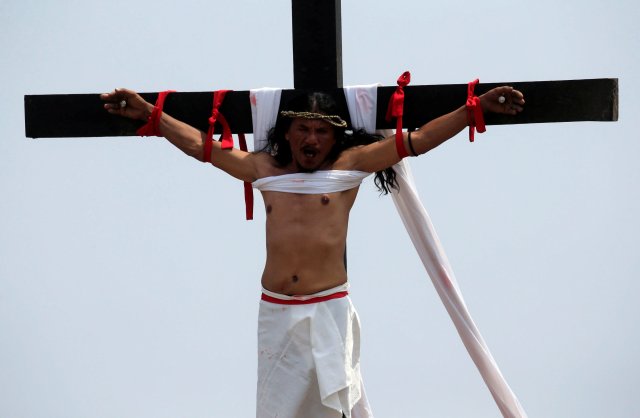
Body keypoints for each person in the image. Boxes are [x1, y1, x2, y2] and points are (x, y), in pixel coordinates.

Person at [101, 85, 525, 418]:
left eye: (322, 130)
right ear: (286, 132)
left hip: (329, 310)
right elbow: (200, 145)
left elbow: (418, 140)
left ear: (335, 136)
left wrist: (474, 110)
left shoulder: (352, 166)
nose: (311, 137)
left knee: (335, 405)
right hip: (277, 312)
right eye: (303, 128)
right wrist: (149, 114)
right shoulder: (262, 168)